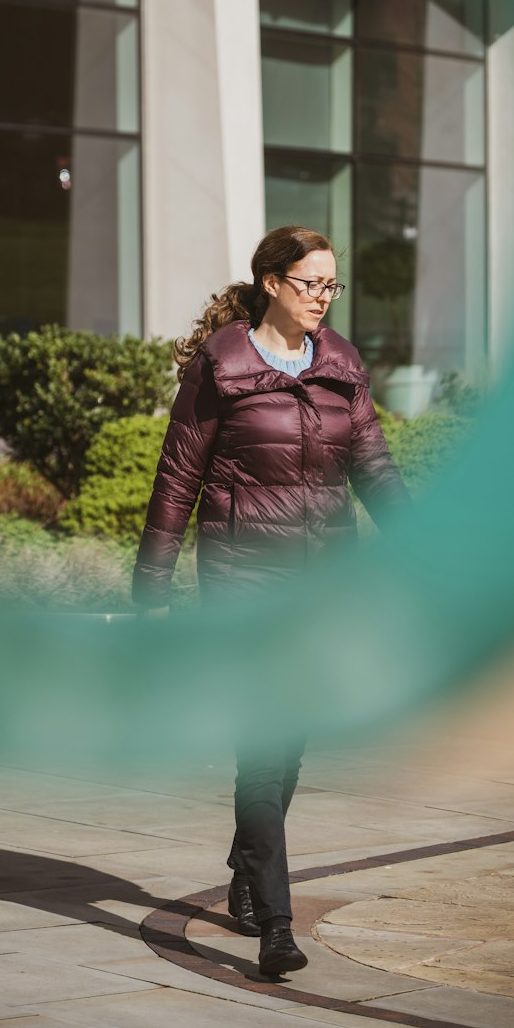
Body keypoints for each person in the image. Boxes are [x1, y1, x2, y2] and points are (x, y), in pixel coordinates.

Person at [132, 225, 410, 977]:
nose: (324, 297)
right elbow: (178, 476)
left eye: (331, 284)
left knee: (292, 743)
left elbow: (375, 468)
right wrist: (151, 587)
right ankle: (276, 927)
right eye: (311, 283)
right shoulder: (219, 365)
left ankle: (247, 862)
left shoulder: (342, 365)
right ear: (271, 283)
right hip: (243, 580)